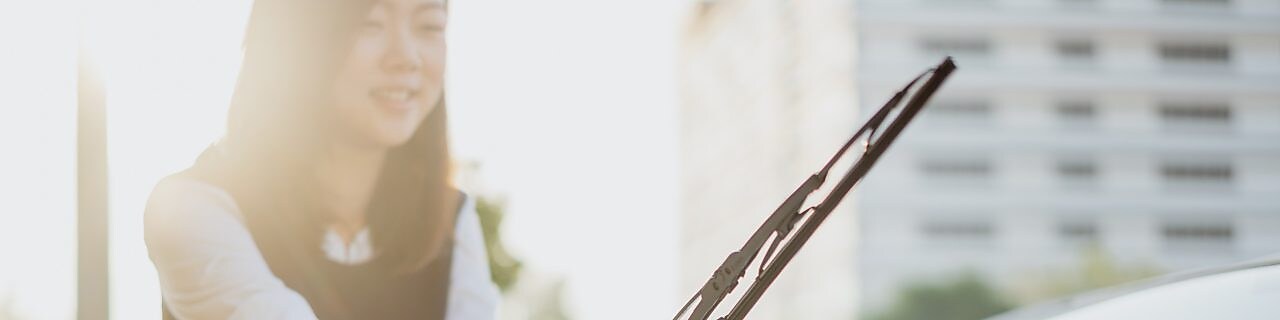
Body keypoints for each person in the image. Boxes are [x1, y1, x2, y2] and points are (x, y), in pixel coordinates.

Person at [142, 0, 499, 318]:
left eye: (430, 26)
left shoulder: (451, 221)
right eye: (369, 23)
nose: (406, 57)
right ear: (298, 39)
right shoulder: (190, 209)